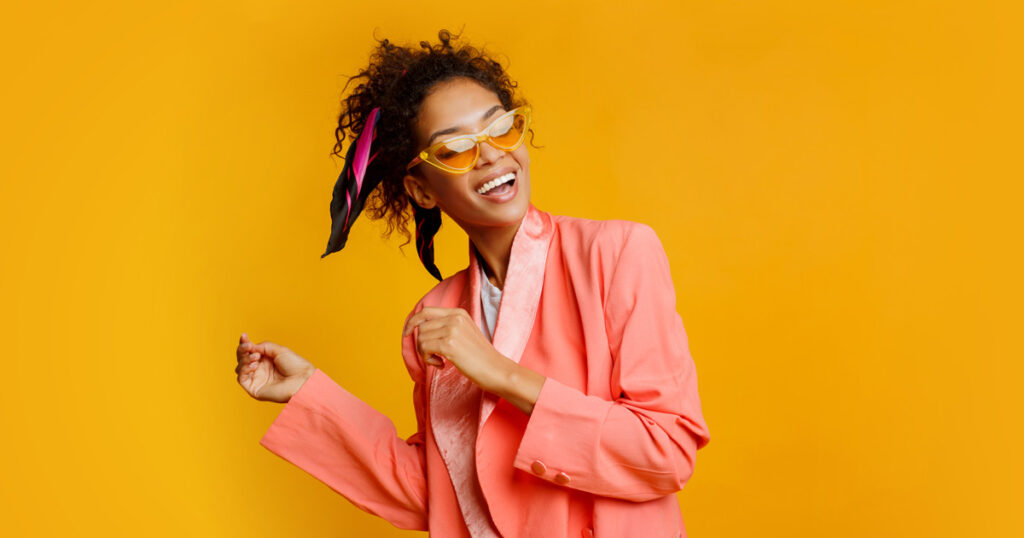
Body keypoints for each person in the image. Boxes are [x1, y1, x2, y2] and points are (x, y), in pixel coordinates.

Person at [233, 28, 711, 538]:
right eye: (456, 148)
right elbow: (442, 495)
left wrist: (497, 372)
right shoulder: (432, 318)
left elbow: (667, 451)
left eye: (500, 128)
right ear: (421, 190)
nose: (489, 156)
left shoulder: (616, 256)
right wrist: (310, 395)